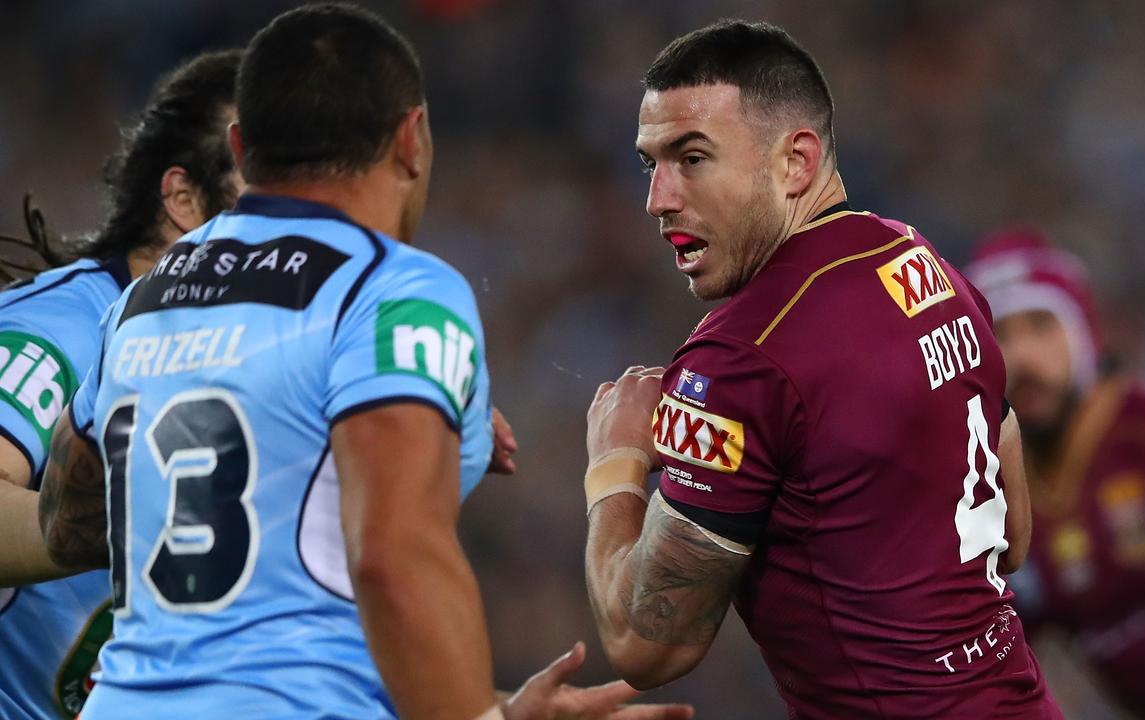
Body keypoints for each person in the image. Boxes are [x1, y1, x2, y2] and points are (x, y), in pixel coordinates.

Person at [36, 5, 689, 720]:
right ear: (412, 139)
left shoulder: (145, 296)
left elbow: (66, 522)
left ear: (241, 147)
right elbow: (392, 556)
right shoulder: (395, 289)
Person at [581, 20, 1061, 719]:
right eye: (651, 163)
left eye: (691, 158)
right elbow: (1013, 533)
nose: (659, 198)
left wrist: (615, 463)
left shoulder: (738, 361)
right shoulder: (929, 267)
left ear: (795, 162)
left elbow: (646, 646)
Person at [0, 48, 243, 719]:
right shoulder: (67, 330)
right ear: (184, 199)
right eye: (266, 182)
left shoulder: (250, 373)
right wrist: (124, 516)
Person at [964, 228, 1145, 720]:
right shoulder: (997, 503)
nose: (1021, 358)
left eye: (1040, 326)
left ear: (1083, 332)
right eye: (998, 335)